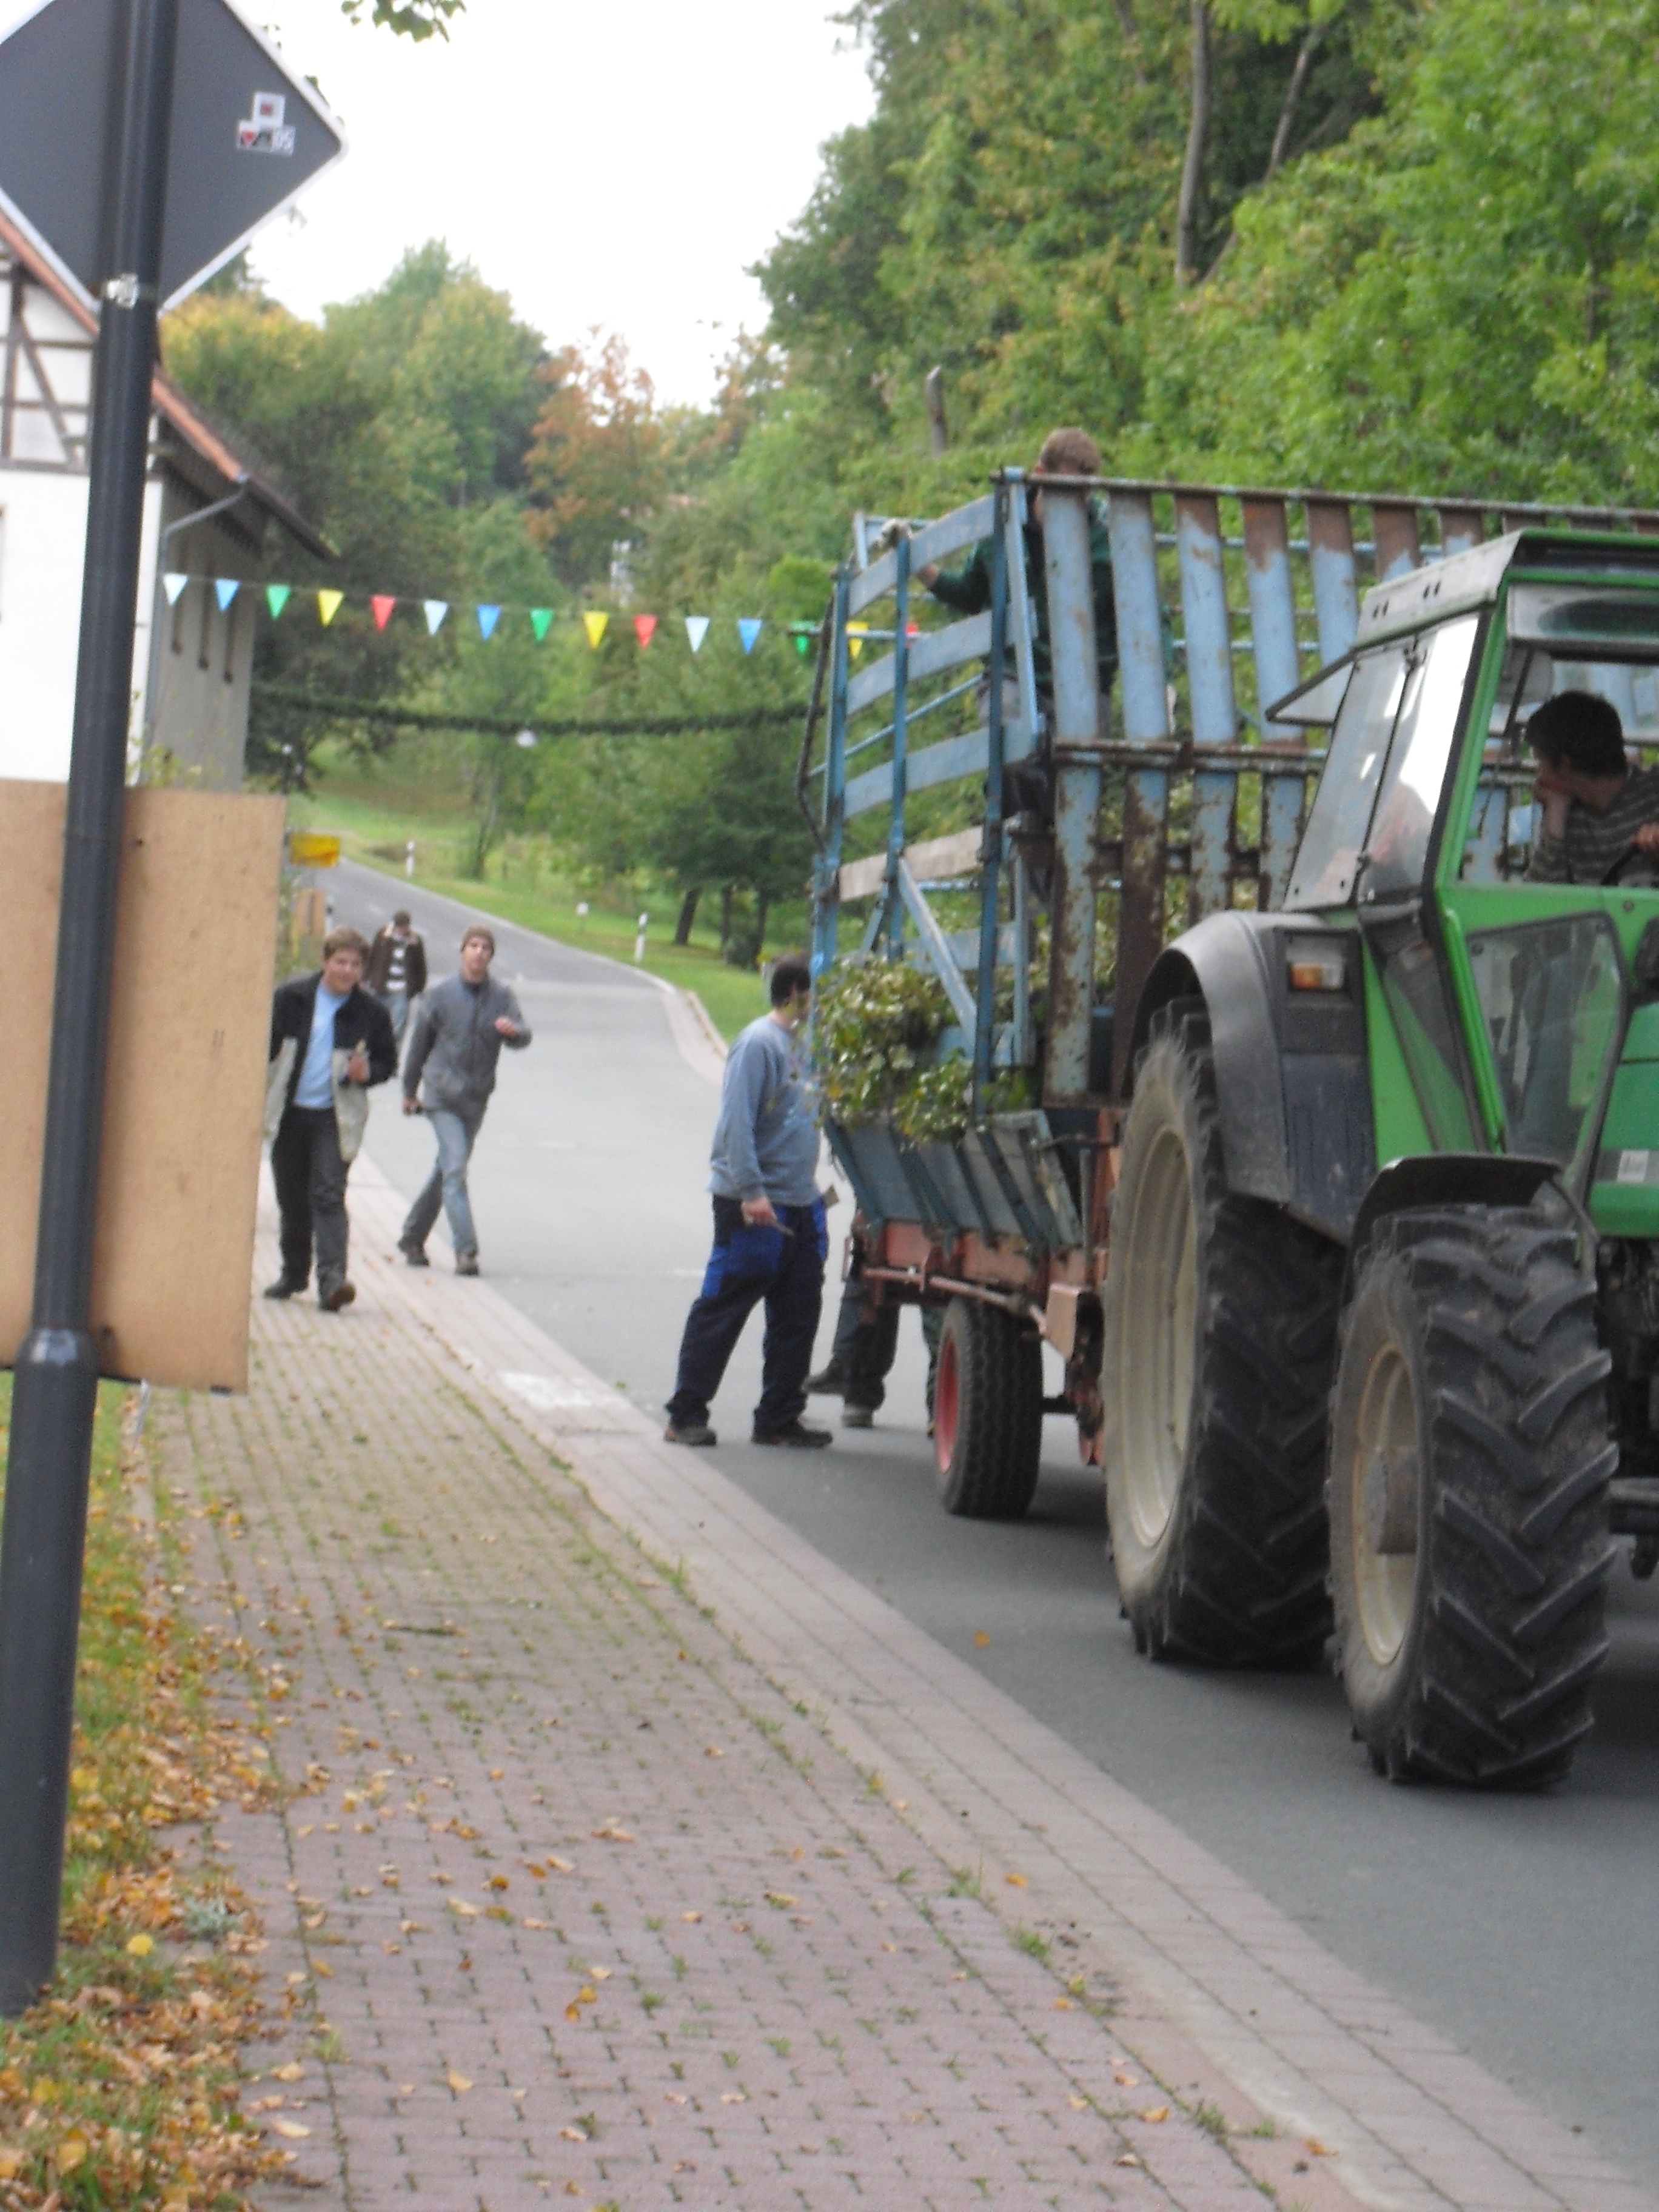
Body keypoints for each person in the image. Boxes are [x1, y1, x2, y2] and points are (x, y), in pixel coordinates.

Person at [665, 956, 831, 1450]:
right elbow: (735, 1123)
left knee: (799, 1311)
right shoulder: (759, 1044)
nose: (821, 1003)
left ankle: (779, 1417)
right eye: (815, 992)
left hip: (799, 1200)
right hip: (753, 1204)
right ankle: (686, 1414)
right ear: (796, 991)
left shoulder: (803, 1045)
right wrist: (752, 1191)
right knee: (724, 1307)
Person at [914, 424, 1118, 716]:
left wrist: (1163, 684)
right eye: (1067, 490)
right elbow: (971, 594)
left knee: (1085, 738)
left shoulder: (1106, 533)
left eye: (1085, 493)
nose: (1077, 502)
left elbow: (1143, 608)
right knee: (1006, 710)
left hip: (1084, 680)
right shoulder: (1005, 521)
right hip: (1015, 675)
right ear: (1040, 474)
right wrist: (918, 565)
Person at [265, 926, 398, 1312]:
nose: (347, 970)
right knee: (292, 1198)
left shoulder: (371, 1014)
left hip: (334, 1117)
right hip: (290, 1112)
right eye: (340, 962)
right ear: (325, 962)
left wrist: (367, 1072)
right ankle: (293, 1274)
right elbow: (265, 1048)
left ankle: (332, 1280)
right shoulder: (291, 999)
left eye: (355, 965)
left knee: (327, 1193)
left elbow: (388, 1062)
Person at [398, 926, 531, 1276]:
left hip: (476, 1097)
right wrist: (409, 1091)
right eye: (473, 946)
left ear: (491, 956)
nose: (479, 953)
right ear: (463, 951)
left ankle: (412, 1236)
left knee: (447, 1169)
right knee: (456, 1168)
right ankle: (466, 1250)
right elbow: (418, 1046)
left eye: (486, 948)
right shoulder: (440, 996)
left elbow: (523, 1034)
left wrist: (513, 1033)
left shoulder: (501, 997)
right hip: (441, 1095)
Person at [1528, 689, 1659, 883]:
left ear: (1564, 765)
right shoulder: (1566, 812)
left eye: (1540, 762)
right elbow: (1539, 895)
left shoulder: (1653, 794)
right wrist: (1556, 815)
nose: (1539, 775)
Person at [365, 909, 427, 1047]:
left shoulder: (415, 942)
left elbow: (421, 966)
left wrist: (419, 988)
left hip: (402, 991)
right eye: (399, 926)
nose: (402, 930)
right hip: (382, 988)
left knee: (397, 1030)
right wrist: (366, 979)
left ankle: (391, 1054)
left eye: (404, 927)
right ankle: (373, 1051)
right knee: (375, 1024)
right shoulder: (383, 936)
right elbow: (372, 957)